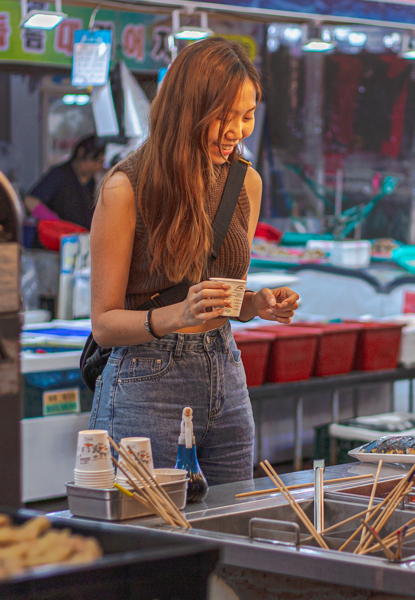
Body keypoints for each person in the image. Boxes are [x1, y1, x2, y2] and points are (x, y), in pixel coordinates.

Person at [87, 38, 299, 485]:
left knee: (233, 528)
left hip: (225, 368)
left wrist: (255, 304)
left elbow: (224, 297)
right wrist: (178, 314)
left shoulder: (247, 183)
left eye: (247, 115)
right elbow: (104, 324)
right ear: (188, 110)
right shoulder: (125, 188)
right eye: (224, 116)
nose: (237, 131)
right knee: (152, 537)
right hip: (147, 381)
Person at [24, 134, 107, 229]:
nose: (99, 167)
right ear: (81, 153)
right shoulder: (59, 175)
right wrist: (54, 222)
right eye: (96, 162)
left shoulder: (92, 182)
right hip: (56, 239)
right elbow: (29, 201)